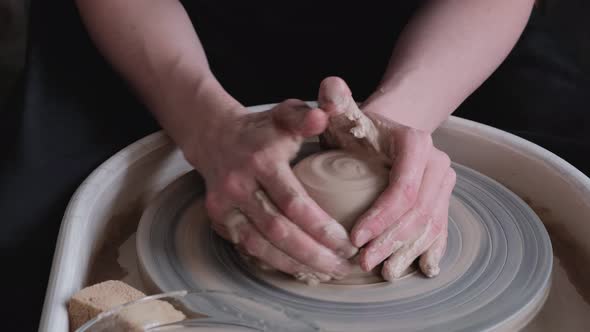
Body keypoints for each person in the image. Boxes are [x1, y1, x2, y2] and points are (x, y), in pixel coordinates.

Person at [5, 0, 589, 329]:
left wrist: (401, 116)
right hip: (162, 24)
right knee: (26, 256)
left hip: (435, 23)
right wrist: (203, 123)